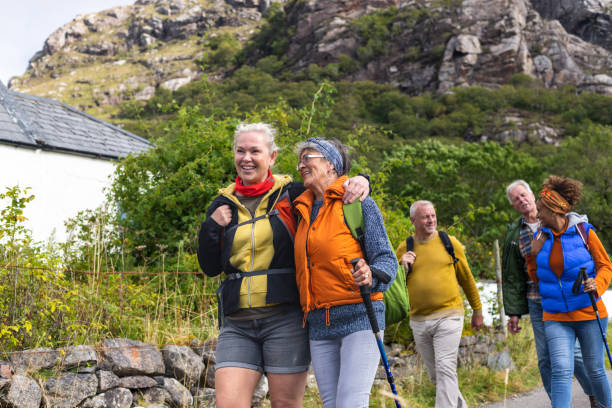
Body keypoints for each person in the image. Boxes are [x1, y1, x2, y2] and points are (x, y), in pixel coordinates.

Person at [197, 123, 370, 408]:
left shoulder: (293, 193)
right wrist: (211, 228)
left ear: (272, 157)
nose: (246, 158)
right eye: (240, 151)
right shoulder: (221, 203)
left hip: (285, 320)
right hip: (237, 322)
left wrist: (363, 180)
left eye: (255, 151)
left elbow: (333, 188)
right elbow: (210, 267)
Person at [292, 137, 397, 408]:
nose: (300, 164)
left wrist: (371, 275)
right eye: (299, 159)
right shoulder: (300, 208)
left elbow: (387, 259)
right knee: (332, 405)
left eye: (308, 157)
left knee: (350, 403)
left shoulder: (357, 203)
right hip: (319, 323)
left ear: (331, 164)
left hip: (359, 316)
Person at [502, 180, 596, 406]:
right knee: (545, 359)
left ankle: (596, 395)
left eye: (523, 195)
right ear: (513, 206)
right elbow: (513, 275)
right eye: (516, 199)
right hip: (537, 301)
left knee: (574, 355)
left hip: (567, 298)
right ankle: (559, 403)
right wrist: (513, 312)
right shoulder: (516, 233)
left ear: (532, 195)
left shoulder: (559, 218)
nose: (521, 200)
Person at [528, 176, 612, 408]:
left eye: (540, 209)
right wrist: (532, 255)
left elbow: (606, 265)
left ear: (554, 210)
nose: (536, 214)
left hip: (588, 312)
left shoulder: (584, 232)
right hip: (555, 316)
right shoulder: (539, 237)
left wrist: (597, 283)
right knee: (561, 371)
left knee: (595, 369)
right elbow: (536, 277)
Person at [396, 200, 482, 408]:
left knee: (445, 369)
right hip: (419, 320)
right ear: (413, 220)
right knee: (438, 376)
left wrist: (477, 310)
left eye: (433, 216)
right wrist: (402, 267)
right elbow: (395, 286)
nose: (430, 220)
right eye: (425, 217)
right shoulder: (404, 248)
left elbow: (467, 278)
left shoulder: (449, 242)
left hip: (449, 315)